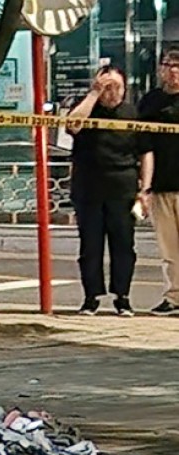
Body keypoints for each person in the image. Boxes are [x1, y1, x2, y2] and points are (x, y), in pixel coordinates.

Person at [65, 65, 142, 317]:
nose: (112, 93)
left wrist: (146, 188)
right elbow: (73, 125)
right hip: (88, 188)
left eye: (117, 87)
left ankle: (123, 297)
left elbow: (145, 151)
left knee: (123, 246)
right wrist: (93, 95)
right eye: (107, 87)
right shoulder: (86, 108)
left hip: (123, 188)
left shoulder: (132, 113)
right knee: (90, 246)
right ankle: (91, 297)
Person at [138, 47, 179, 316]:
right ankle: (174, 297)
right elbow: (144, 146)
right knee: (169, 248)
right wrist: (145, 187)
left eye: (178, 65)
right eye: (169, 65)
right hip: (162, 185)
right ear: (160, 69)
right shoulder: (151, 101)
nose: (174, 71)